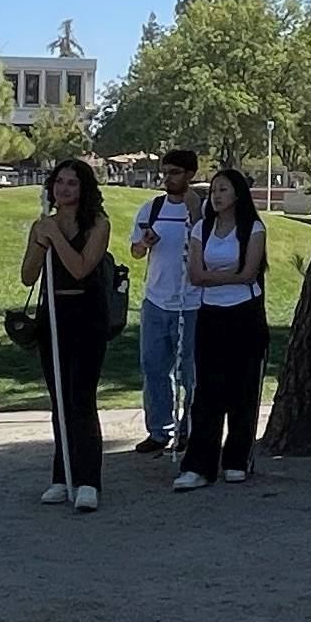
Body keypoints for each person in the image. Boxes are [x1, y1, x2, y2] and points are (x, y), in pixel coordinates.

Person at [20, 158, 113, 511]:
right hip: (52, 316)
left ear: (83, 188)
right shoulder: (42, 226)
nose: (64, 189)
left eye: (72, 183)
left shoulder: (98, 225)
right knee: (59, 398)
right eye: (59, 182)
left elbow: (80, 268)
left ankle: (88, 480)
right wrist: (40, 241)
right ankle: (62, 475)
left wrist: (55, 234)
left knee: (81, 399)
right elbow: (28, 277)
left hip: (87, 315)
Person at [176, 162, 268, 488]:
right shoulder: (201, 230)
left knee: (242, 387)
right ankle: (199, 465)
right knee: (208, 390)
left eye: (223, 190)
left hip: (244, 312)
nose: (216, 196)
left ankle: (237, 457)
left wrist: (215, 278)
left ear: (238, 194)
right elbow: (195, 276)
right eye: (213, 191)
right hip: (211, 314)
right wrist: (223, 278)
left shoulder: (253, 230)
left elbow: (249, 274)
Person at [128, 146, 204, 457]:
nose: (167, 178)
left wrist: (196, 212)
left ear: (189, 175)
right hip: (156, 301)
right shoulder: (152, 208)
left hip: (193, 302)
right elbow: (135, 252)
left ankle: (190, 429)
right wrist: (144, 243)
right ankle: (159, 431)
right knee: (154, 367)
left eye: (174, 173)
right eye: (165, 172)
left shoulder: (201, 208)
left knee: (192, 372)